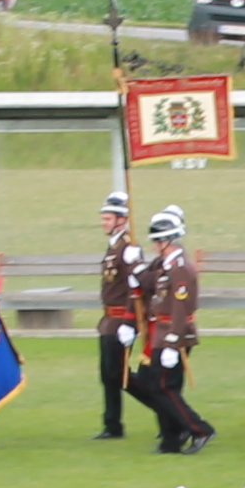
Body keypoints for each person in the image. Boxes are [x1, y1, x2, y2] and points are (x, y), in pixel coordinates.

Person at [127, 205, 217, 454]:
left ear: (166, 240)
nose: (154, 245)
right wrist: (136, 268)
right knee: (160, 387)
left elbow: (180, 306)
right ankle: (172, 439)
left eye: (157, 241)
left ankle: (200, 429)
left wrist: (173, 343)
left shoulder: (180, 267)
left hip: (173, 333)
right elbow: (153, 283)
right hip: (161, 332)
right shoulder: (167, 265)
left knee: (163, 387)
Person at [93, 190, 139, 441]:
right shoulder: (114, 246)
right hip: (109, 320)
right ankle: (112, 425)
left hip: (122, 320)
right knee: (108, 375)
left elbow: (136, 288)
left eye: (108, 218)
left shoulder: (128, 248)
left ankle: (167, 410)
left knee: (119, 375)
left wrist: (130, 321)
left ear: (122, 220)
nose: (104, 223)